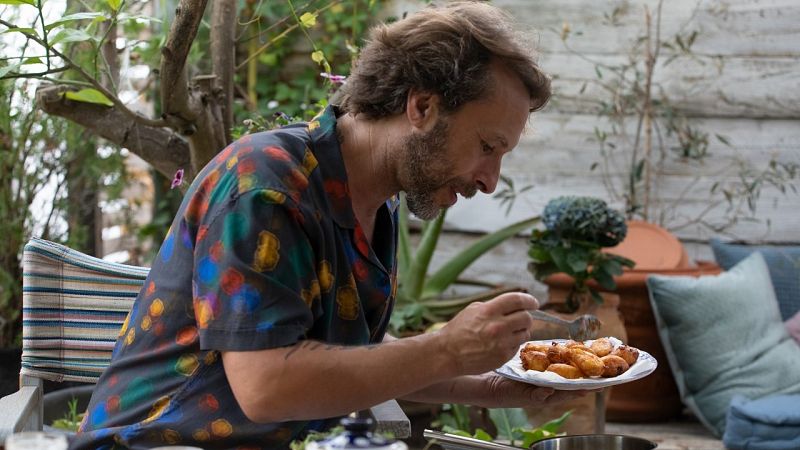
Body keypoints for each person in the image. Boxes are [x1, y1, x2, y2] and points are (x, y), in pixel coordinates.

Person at [73, 2, 586, 449]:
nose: (491, 180)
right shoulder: (265, 186)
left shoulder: (372, 204)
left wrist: (488, 387)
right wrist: (446, 347)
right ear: (423, 106)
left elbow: (346, 360)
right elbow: (267, 386)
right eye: (487, 147)